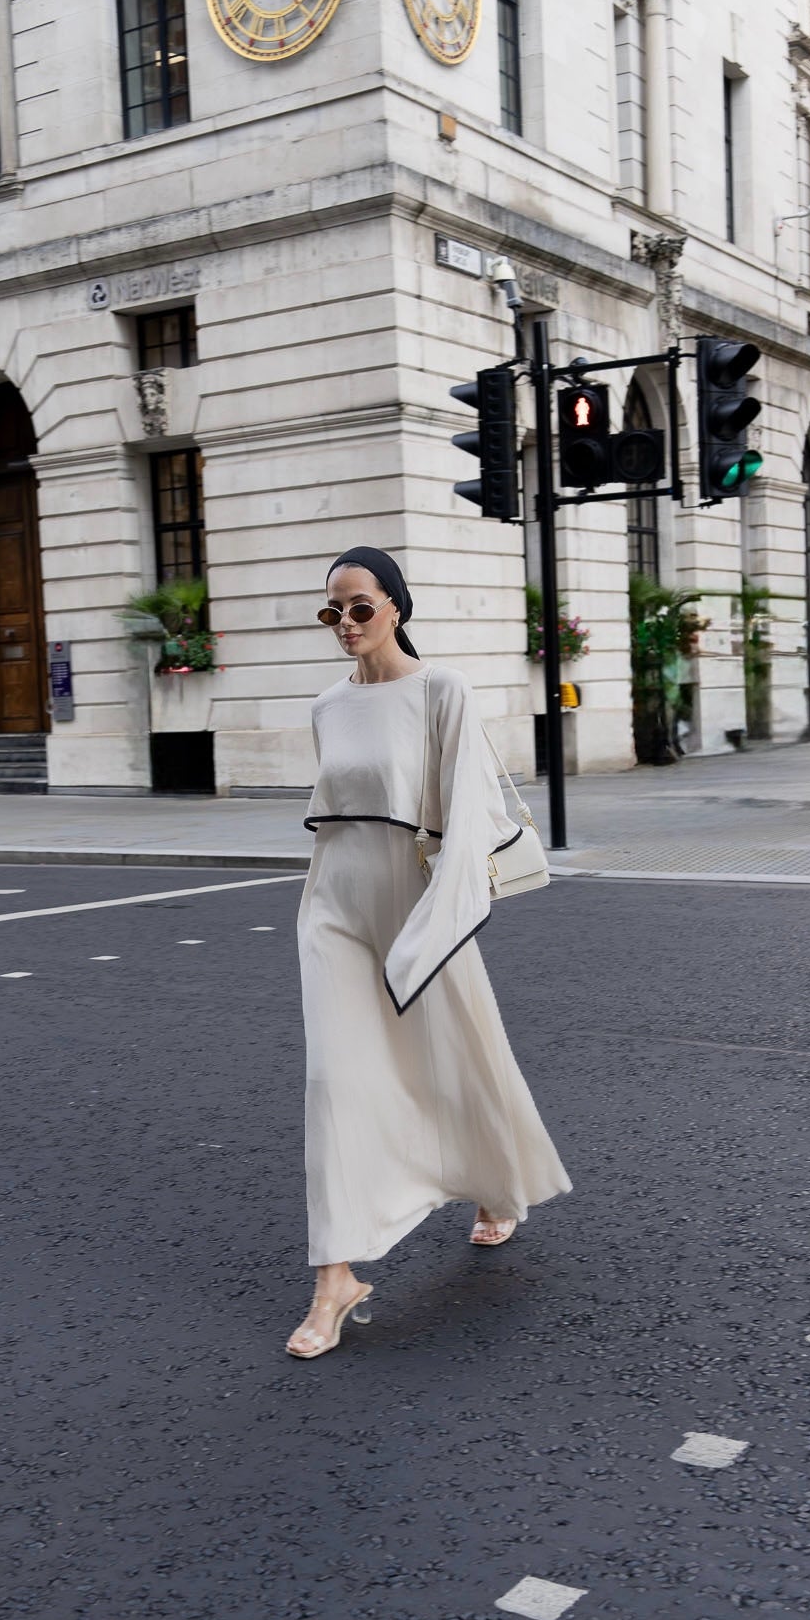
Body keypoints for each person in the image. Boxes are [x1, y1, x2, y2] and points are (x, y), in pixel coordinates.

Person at [287, 545, 571, 1359]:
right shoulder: (326, 706)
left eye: (359, 607)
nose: (345, 623)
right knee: (333, 1080)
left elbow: (468, 812)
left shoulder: (442, 690)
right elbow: (335, 815)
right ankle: (334, 1278)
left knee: (454, 1051)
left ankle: (494, 1182)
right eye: (332, 611)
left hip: (415, 897)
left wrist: (441, 916)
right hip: (333, 901)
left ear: (395, 607)